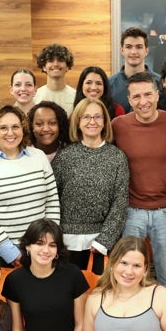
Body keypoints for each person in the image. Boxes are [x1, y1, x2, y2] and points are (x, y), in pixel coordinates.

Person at [112, 72, 166, 299]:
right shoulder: (119, 126)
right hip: (132, 212)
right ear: (129, 100)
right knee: (129, 274)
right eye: (137, 96)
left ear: (157, 94)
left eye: (148, 94)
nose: (143, 102)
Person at [0, 105, 60, 267]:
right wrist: (9, 251)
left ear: (23, 129)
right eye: (3, 128)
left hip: (39, 251)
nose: (10, 133)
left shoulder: (38, 157)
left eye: (15, 127)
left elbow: (52, 201)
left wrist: (47, 243)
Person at [4, 219, 89, 331]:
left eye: (52, 245)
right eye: (39, 243)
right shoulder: (15, 280)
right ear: (28, 246)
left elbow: (81, 324)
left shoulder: (73, 274)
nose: (46, 250)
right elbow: (17, 329)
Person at [53, 98, 129, 272]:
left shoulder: (117, 157)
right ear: (78, 122)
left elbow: (120, 202)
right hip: (66, 242)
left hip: (100, 243)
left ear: (104, 122)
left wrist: (105, 240)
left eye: (97, 117)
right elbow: (52, 199)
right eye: (86, 117)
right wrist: (55, 239)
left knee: (99, 296)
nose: (92, 122)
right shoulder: (64, 157)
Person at [109, 27, 162, 114]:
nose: (133, 52)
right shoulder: (109, 85)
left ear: (146, 50)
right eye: (129, 47)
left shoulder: (160, 84)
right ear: (122, 50)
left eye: (139, 47)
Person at [33, 43, 76, 115]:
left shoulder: (75, 96)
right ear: (44, 67)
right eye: (50, 60)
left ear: (67, 66)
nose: (55, 64)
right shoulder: (35, 96)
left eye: (60, 60)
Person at [27, 101, 70, 165]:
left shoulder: (70, 152)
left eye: (52, 123)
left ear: (60, 125)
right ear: (31, 127)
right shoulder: (24, 153)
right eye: (39, 124)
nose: (46, 129)